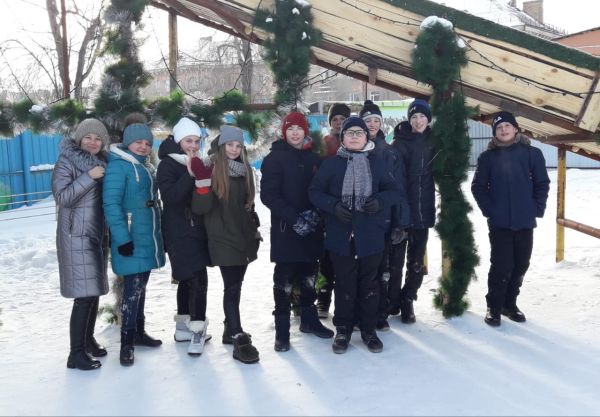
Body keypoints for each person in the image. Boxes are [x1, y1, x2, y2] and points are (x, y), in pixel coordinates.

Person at [309, 116, 401, 354]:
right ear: (342, 138)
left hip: (371, 236)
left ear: (366, 137)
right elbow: (315, 192)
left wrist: (379, 201)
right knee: (344, 285)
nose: (354, 137)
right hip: (341, 236)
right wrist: (333, 206)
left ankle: (369, 330)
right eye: (349, 133)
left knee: (370, 286)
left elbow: (394, 191)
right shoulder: (332, 164)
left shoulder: (377, 163)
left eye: (359, 133)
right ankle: (343, 330)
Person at [260, 111, 334, 353]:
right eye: (290, 128)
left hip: (312, 228)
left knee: (310, 275)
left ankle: (309, 320)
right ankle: (282, 331)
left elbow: (322, 189)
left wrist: (315, 214)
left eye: (299, 128)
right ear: (284, 132)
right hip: (286, 229)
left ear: (305, 131)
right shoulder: (274, 159)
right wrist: (294, 218)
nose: (294, 133)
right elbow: (269, 195)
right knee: (284, 281)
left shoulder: (315, 159)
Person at [471, 111, 550, 327]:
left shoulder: (532, 154)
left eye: (507, 126)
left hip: (525, 221)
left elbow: (542, 183)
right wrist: (490, 211)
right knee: (501, 265)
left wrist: (536, 208)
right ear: (495, 133)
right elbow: (478, 187)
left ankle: (510, 304)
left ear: (515, 128)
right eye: (499, 127)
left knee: (521, 264)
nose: (503, 130)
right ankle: (494, 306)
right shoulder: (487, 158)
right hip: (500, 223)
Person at [190, 125, 261, 364]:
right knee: (231, 288)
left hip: (243, 236)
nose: (234, 149)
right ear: (221, 146)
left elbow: (246, 204)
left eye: (238, 145)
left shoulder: (244, 170)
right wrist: (202, 185)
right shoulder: (211, 169)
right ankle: (238, 337)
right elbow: (200, 208)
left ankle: (229, 329)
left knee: (236, 286)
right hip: (222, 238)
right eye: (229, 144)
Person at [103, 119, 166, 366]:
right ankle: (126, 343)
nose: (143, 146)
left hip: (147, 234)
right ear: (127, 143)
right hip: (130, 235)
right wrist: (122, 238)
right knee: (132, 288)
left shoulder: (145, 165)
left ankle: (139, 332)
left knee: (141, 286)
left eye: (147, 143)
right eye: (138, 142)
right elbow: (111, 203)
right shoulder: (119, 166)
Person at [52, 118, 110, 371]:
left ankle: (87, 340)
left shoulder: (104, 163)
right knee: (84, 297)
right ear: (79, 139)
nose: (93, 142)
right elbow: (62, 197)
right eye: (88, 137)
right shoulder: (67, 161)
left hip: (96, 235)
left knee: (93, 291)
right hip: (75, 235)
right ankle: (75, 354)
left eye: (98, 138)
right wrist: (89, 177)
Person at [157, 117, 212, 356]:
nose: (193, 145)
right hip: (179, 232)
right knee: (198, 280)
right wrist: (189, 175)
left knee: (188, 280)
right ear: (178, 141)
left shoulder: (196, 161)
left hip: (195, 229)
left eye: (196, 141)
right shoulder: (168, 165)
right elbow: (170, 198)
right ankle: (197, 332)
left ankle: (182, 328)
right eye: (188, 141)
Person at [359, 99, 406, 331]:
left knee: (382, 270)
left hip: (384, 220)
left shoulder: (390, 152)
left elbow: (398, 190)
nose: (372, 124)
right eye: (368, 120)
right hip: (358, 221)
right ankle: (359, 314)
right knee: (361, 270)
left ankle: (380, 313)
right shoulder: (354, 148)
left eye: (376, 120)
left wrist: (399, 223)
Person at [389, 99, 436, 324]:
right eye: (414, 117)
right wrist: (399, 213)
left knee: (417, 261)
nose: (418, 121)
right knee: (395, 261)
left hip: (423, 212)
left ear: (429, 119)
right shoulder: (399, 143)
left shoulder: (434, 142)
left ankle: (408, 299)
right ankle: (391, 300)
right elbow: (395, 181)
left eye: (422, 116)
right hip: (401, 213)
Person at [316, 103, 351, 319]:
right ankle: (323, 298)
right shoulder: (324, 143)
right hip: (328, 207)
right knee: (325, 258)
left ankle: (345, 302)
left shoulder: (354, 141)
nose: (338, 123)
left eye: (342, 119)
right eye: (335, 119)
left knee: (345, 259)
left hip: (349, 209)